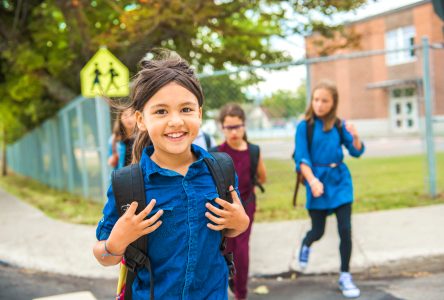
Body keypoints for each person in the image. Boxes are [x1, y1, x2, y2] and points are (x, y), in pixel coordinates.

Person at [93, 50, 250, 299]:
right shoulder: (128, 184)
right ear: (140, 120)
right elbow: (103, 255)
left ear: (199, 113)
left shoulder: (221, 171)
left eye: (186, 109)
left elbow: (230, 228)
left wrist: (240, 223)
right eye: (161, 111)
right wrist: (116, 242)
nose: (175, 121)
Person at [292, 80, 364, 298]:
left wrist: (356, 136)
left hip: (340, 181)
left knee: (345, 230)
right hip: (317, 181)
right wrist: (313, 181)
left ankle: (345, 275)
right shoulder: (305, 126)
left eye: (325, 101)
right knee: (318, 231)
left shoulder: (339, 125)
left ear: (333, 104)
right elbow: (301, 158)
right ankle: (306, 243)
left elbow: (357, 151)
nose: (319, 104)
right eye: (316, 99)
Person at [213, 103, 266, 300]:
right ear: (222, 128)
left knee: (242, 251)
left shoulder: (253, 150)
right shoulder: (215, 152)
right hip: (223, 208)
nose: (233, 132)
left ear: (244, 125)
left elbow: (262, 177)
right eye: (228, 127)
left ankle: (241, 293)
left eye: (237, 126)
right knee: (226, 248)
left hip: (247, 204)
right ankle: (229, 283)